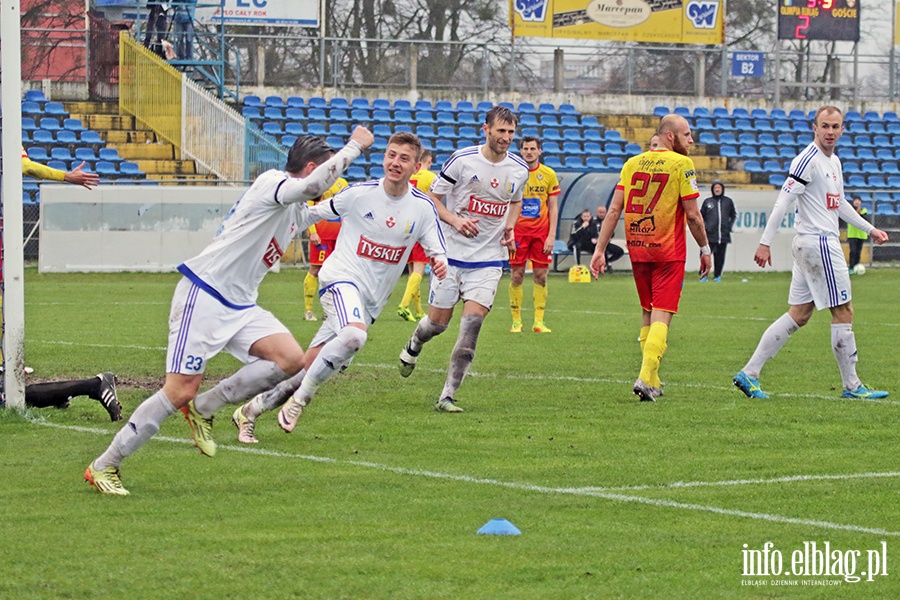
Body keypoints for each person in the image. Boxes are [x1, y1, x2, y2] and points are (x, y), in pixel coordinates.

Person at [83, 129, 374, 495]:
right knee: (178, 391)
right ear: (313, 166)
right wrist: (355, 147)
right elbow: (315, 187)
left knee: (290, 359)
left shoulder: (294, 209)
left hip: (240, 305)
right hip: (204, 294)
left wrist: (375, 198)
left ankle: (207, 407)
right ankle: (105, 465)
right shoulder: (274, 183)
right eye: (326, 169)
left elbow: (320, 208)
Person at [231, 133, 448, 442]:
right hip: (339, 279)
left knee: (307, 368)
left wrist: (440, 262)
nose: (395, 163)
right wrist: (263, 230)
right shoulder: (359, 194)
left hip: (371, 302)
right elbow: (310, 214)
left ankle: (249, 412)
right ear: (383, 158)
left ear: (416, 167)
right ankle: (300, 403)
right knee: (354, 335)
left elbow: (437, 250)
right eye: (391, 155)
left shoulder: (423, 208)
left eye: (404, 158)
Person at [733, 106, 889, 401]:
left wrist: (870, 230)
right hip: (818, 244)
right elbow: (782, 202)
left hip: (812, 244)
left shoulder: (835, 163)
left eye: (836, 126)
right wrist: (765, 242)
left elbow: (839, 203)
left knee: (800, 314)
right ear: (814, 128)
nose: (830, 131)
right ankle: (853, 386)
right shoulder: (807, 160)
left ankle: (749, 373)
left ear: (843, 130)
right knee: (843, 311)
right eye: (825, 126)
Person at [397, 106, 528, 413]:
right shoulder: (462, 160)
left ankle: (447, 395)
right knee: (437, 325)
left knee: (471, 328)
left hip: (489, 260)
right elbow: (433, 199)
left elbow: (516, 201)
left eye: (511, 133)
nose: (506, 138)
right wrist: (455, 221)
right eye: (500, 132)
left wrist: (509, 226)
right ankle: (415, 342)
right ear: (486, 129)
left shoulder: (519, 169)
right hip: (451, 256)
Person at [591, 114, 711, 402]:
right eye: (687, 135)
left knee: (648, 311)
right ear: (670, 136)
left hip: (638, 247)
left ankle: (653, 381)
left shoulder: (631, 164)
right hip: (668, 251)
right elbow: (693, 215)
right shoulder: (682, 164)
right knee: (663, 313)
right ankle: (645, 377)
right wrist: (706, 249)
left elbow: (613, 211)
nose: (691, 141)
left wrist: (599, 250)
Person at [508, 135, 559, 333]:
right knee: (517, 275)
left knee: (541, 276)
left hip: (541, 233)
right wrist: (509, 232)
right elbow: (506, 204)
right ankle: (516, 322)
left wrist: (552, 235)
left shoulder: (548, 174)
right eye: (525, 149)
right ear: (521, 151)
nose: (529, 152)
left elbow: (553, 207)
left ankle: (539, 322)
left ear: (539, 151)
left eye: (532, 149)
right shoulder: (513, 174)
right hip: (518, 233)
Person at [397, 149, 437, 322]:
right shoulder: (430, 177)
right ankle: (403, 306)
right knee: (420, 268)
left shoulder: (408, 176)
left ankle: (419, 310)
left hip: (405, 226)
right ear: (430, 160)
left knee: (413, 268)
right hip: (421, 226)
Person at [303, 177, 350, 321]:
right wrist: (313, 231)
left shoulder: (343, 183)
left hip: (339, 236)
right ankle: (308, 310)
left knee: (336, 272)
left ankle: (329, 310)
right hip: (321, 234)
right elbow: (308, 209)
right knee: (316, 270)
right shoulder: (319, 181)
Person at [699, 181, 736, 282]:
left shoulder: (728, 202)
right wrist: (705, 228)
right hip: (709, 235)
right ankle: (703, 275)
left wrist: (729, 226)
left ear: (722, 189)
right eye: (715, 188)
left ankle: (717, 276)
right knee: (705, 255)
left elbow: (733, 215)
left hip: (723, 235)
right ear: (712, 189)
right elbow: (701, 216)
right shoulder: (707, 202)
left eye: (719, 187)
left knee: (720, 257)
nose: (717, 189)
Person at [592, 205, 624, 270]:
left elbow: (612, 233)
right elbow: (590, 233)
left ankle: (607, 262)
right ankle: (603, 267)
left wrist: (608, 235)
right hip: (595, 244)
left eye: (603, 213)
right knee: (603, 250)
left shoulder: (607, 222)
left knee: (620, 251)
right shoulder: (593, 222)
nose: (601, 214)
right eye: (600, 213)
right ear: (597, 213)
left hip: (606, 244)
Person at [846, 196, 869, 274]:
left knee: (858, 251)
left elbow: (864, 219)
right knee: (853, 251)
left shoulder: (864, 210)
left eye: (858, 201)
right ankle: (851, 267)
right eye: (855, 200)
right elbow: (852, 218)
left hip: (861, 234)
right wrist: (856, 213)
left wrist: (859, 213)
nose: (857, 202)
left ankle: (856, 266)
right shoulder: (850, 210)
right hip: (852, 234)